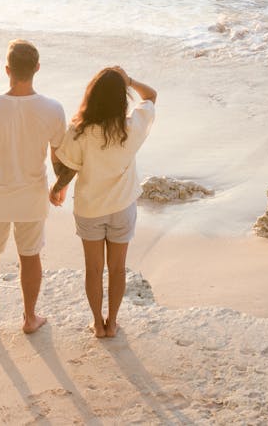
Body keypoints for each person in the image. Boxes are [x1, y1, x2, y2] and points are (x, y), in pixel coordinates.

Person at [0, 39, 66, 335]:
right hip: (32, 196)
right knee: (30, 256)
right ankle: (30, 318)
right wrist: (59, 187)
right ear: (37, 68)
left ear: (7, 69)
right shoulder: (52, 108)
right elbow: (58, 154)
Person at [50, 66, 156, 338]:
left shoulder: (79, 130)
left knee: (94, 269)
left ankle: (97, 323)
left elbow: (67, 168)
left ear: (92, 95)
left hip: (89, 209)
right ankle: (113, 322)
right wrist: (129, 80)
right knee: (118, 269)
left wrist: (58, 187)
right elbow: (151, 96)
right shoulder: (130, 129)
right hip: (122, 208)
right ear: (122, 98)